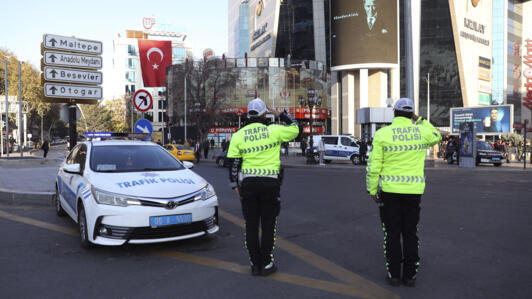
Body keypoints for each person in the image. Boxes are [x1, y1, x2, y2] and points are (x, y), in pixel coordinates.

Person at [366, 98, 441, 287]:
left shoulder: (383, 134)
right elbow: (436, 134)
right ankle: (410, 276)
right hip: (413, 192)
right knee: (410, 233)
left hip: (389, 192)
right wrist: (419, 119)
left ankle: (394, 275)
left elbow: (374, 166)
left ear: (395, 113)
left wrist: (372, 189)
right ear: (411, 114)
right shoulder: (421, 132)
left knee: (391, 234)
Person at [227, 98, 300, 276]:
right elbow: (297, 128)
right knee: (268, 225)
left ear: (248, 114)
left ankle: (255, 264)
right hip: (270, 184)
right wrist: (280, 114)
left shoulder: (238, 135)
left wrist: (235, 186)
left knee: (251, 225)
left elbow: (233, 165)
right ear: (263, 114)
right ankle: (266, 264)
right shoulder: (274, 130)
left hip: (248, 185)